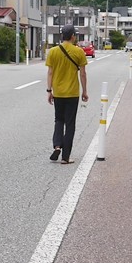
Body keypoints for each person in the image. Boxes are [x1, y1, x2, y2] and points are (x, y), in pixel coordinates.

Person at [45, 24, 89, 164]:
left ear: (62, 35)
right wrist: (85, 91)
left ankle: (57, 145)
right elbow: (83, 73)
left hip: (58, 93)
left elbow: (50, 72)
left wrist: (49, 91)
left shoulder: (53, 52)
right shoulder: (79, 52)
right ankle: (65, 157)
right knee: (70, 124)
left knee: (59, 120)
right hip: (72, 93)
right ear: (73, 36)